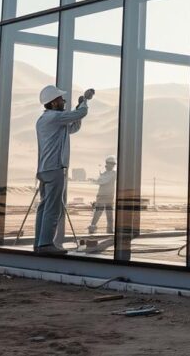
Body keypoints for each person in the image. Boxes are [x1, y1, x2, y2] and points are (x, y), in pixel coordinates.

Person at [33, 85, 94, 255]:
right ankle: (46, 244)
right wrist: (85, 101)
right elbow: (81, 113)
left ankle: (39, 243)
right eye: (60, 99)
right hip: (55, 168)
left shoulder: (46, 119)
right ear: (53, 103)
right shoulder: (54, 117)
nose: (63, 101)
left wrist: (79, 106)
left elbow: (73, 127)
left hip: (45, 169)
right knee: (53, 208)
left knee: (44, 207)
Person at [88, 155, 117, 235]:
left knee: (109, 215)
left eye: (113, 164)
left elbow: (101, 181)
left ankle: (109, 230)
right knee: (98, 214)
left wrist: (99, 178)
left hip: (109, 197)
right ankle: (93, 229)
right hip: (102, 196)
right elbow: (100, 181)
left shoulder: (112, 174)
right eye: (110, 164)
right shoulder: (106, 174)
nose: (112, 165)